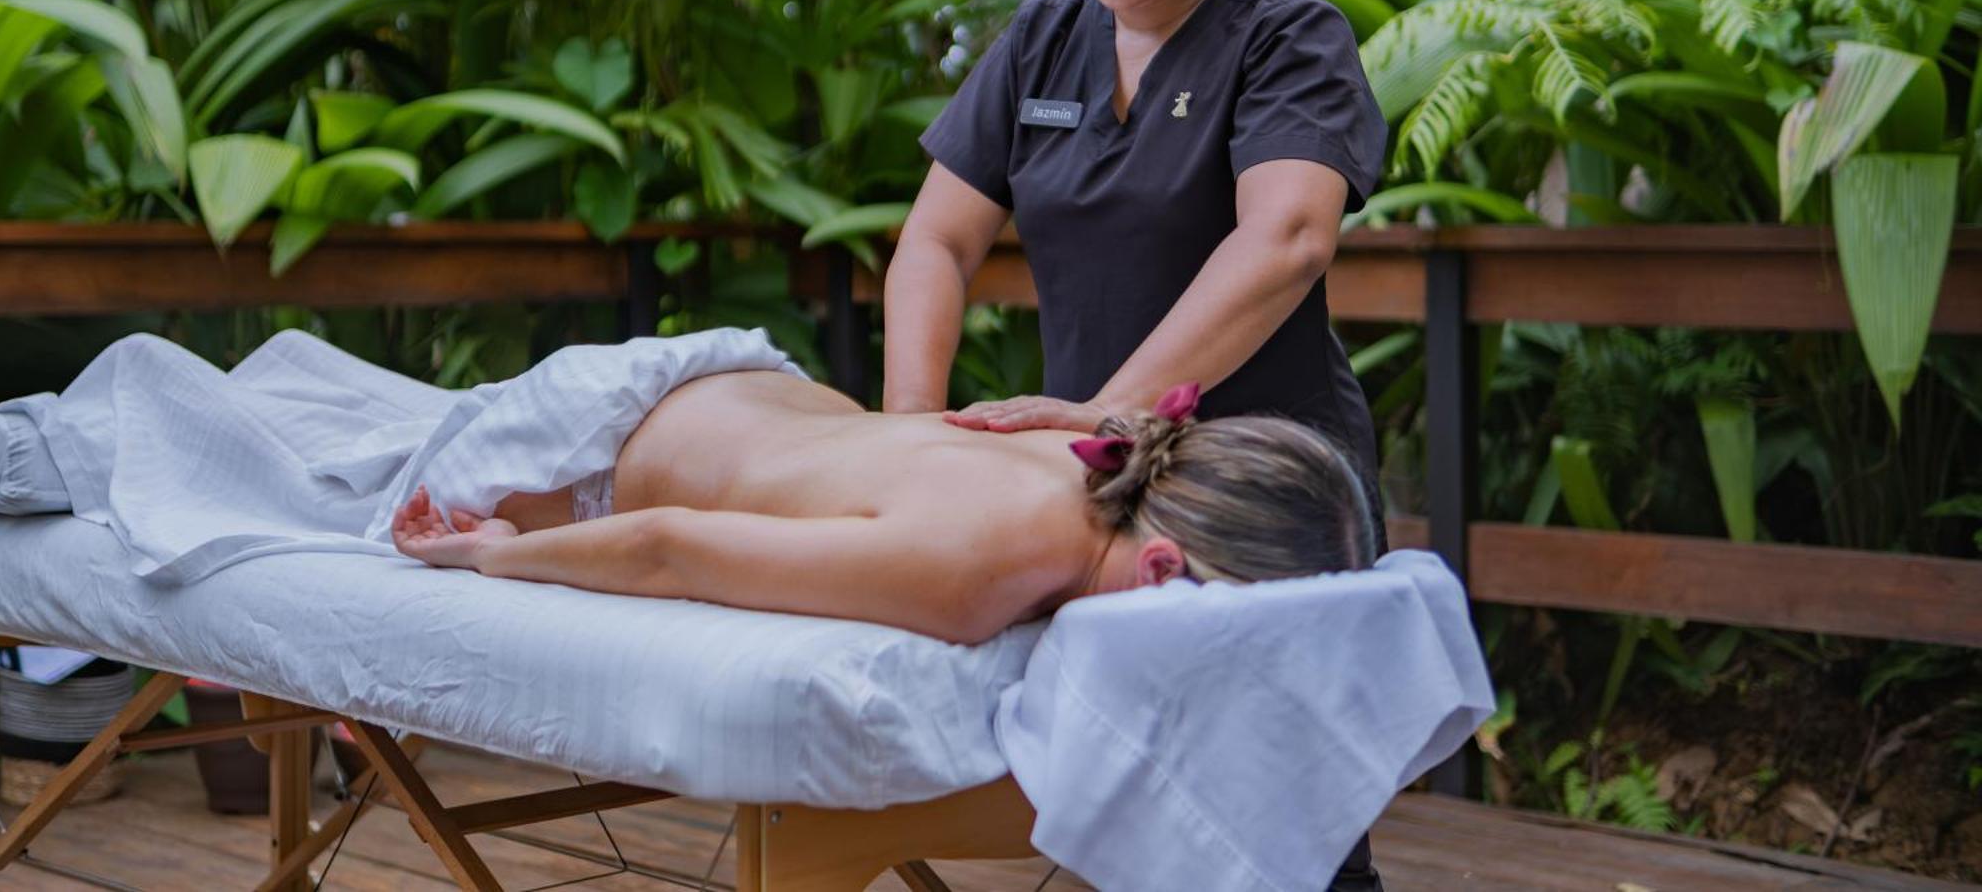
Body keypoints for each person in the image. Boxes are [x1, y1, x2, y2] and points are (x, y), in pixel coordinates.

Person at [881, 0, 1392, 886]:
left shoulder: (1287, 37)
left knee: (1287, 822)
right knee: (1133, 800)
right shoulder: (1040, 40)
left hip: (1256, 476)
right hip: (1099, 479)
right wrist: (906, 433)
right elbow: (934, 241)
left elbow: (1286, 238)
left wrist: (1107, 416)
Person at [393, 371, 1376, 646]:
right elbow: (665, 547)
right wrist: (498, 555)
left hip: (742, 381)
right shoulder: (975, 573)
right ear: (1164, 571)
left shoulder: (1104, 451)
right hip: (597, 448)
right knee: (346, 465)